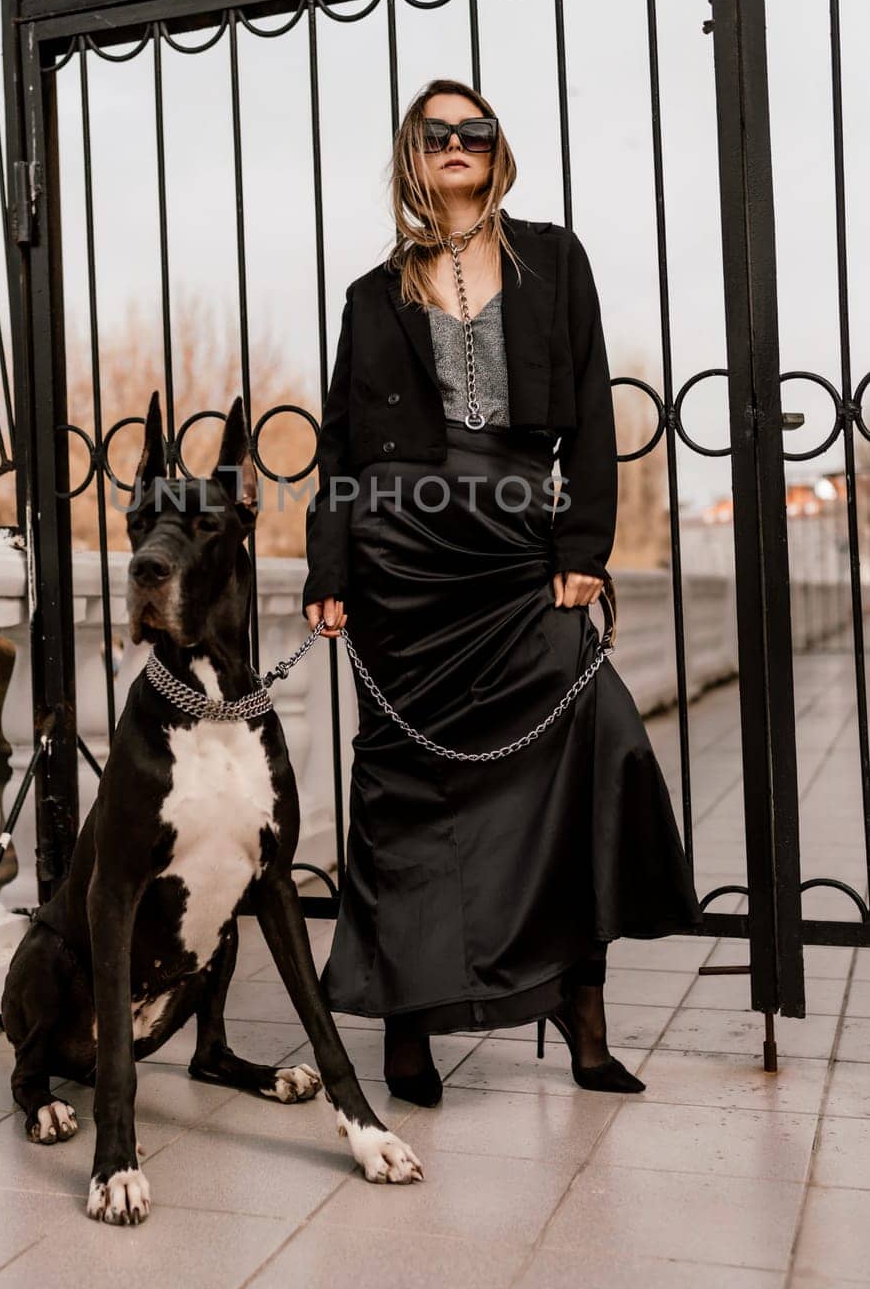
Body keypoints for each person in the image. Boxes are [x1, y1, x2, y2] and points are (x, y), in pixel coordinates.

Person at [301, 77, 704, 1106]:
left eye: (469, 130)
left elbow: (585, 410)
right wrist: (329, 564)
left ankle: (581, 1012)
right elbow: (340, 450)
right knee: (402, 789)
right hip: (403, 571)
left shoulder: (553, 261)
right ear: (411, 155)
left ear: (493, 148)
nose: (452, 144)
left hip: (519, 559)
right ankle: (406, 1023)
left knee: (583, 742)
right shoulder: (369, 294)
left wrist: (583, 545)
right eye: (433, 133)